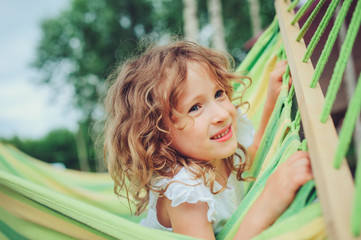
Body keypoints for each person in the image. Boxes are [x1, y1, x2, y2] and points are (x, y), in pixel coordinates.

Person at [103, 41, 312, 239]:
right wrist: (268, 202)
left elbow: (255, 151)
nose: (221, 114)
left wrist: (272, 100)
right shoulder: (186, 192)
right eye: (195, 108)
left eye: (219, 93)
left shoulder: (217, 152)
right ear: (159, 136)